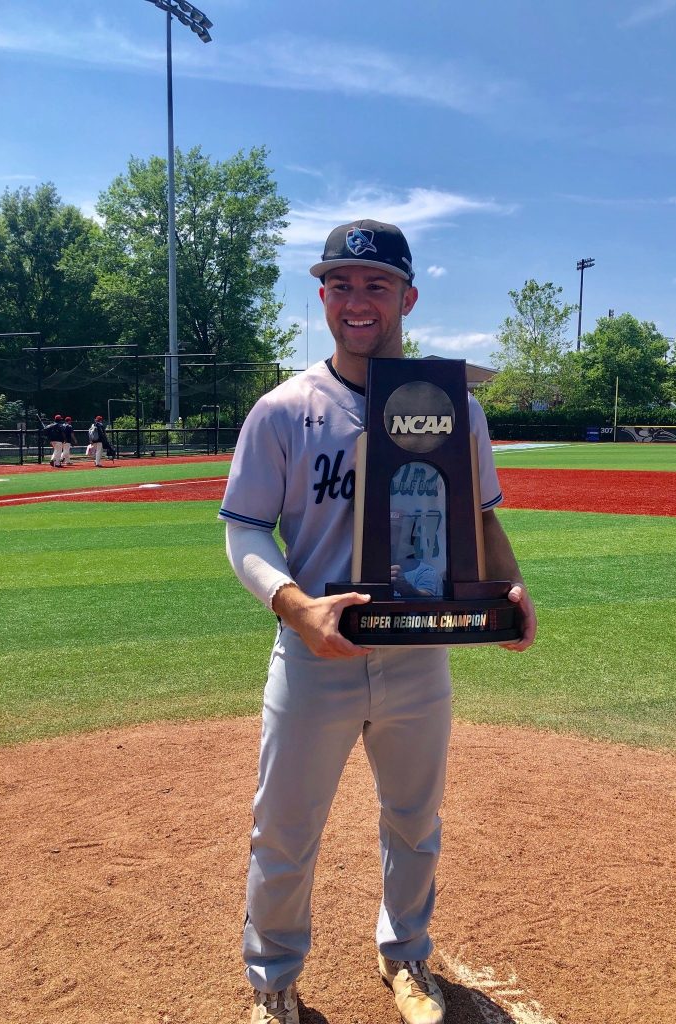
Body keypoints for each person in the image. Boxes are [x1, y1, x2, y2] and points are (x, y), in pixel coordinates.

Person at [220, 219, 537, 1024]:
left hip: (420, 653)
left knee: (414, 820)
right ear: (323, 296)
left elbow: (483, 517)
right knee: (283, 828)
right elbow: (244, 528)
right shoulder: (284, 410)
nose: (358, 300)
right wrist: (294, 605)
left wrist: (511, 588)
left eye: (376, 285)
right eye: (342, 284)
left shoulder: (453, 404)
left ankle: (407, 961)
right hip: (313, 652)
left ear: (407, 296)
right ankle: (275, 984)